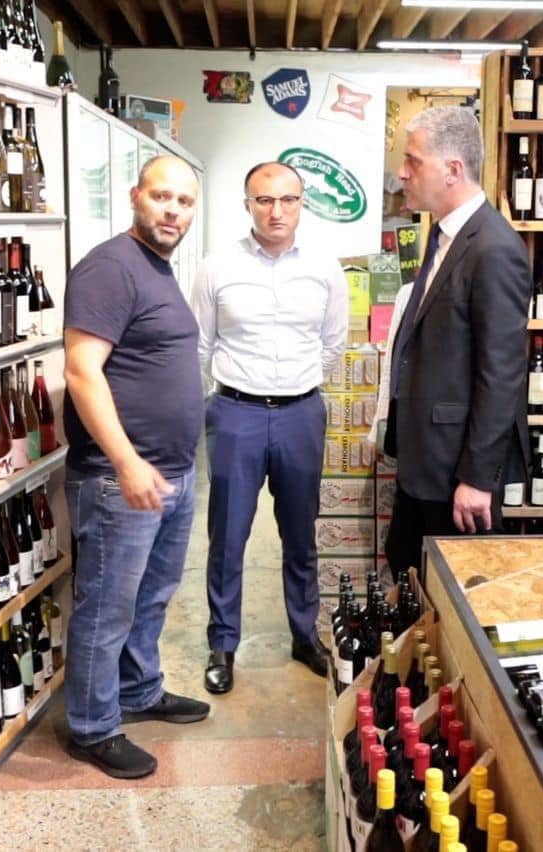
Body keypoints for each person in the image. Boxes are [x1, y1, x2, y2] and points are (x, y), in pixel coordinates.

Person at [61, 155, 210, 780]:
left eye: (184, 201)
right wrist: (125, 461)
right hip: (118, 476)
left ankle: (138, 690)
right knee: (107, 606)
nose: (172, 210)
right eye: (161, 197)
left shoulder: (157, 269)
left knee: (152, 596)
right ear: (134, 196)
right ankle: (92, 726)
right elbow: (81, 371)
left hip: (171, 471)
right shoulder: (110, 268)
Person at [191, 162, 348, 695]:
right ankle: (222, 644)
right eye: (264, 200)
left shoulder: (324, 268)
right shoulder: (217, 267)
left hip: (301, 414)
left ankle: (305, 636)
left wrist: (296, 386)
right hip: (234, 412)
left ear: (302, 203)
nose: (276, 211)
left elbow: (333, 343)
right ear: (247, 205)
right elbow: (200, 346)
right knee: (227, 535)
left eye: (287, 200)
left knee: (301, 533)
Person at [382, 105, 530, 578]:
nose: (402, 173)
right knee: (409, 572)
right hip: (425, 458)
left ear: (452, 169)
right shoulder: (445, 234)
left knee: (453, 592)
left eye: (413, 160)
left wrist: (477, 478)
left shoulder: (494, 247)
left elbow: (501, 373)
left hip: (455, 471)